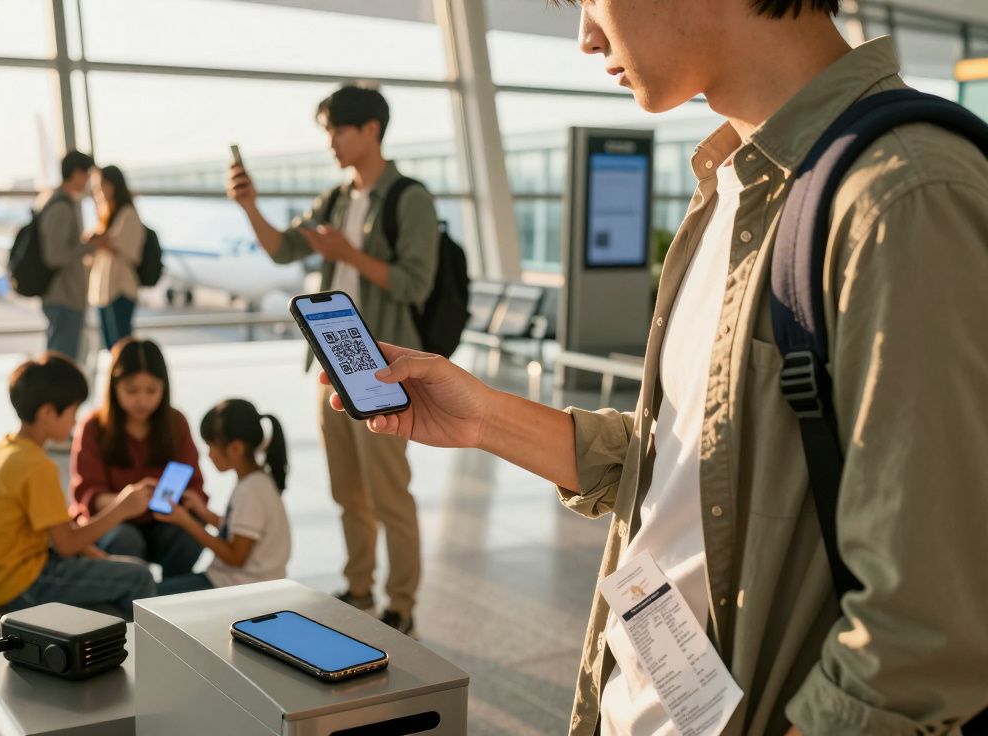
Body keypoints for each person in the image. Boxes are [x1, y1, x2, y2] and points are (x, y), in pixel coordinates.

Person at [322, 1, 988, 733]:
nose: (585, 36)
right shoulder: (731, 189)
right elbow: (684, 465)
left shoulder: (902, 198)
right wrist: (482, 417)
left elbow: (921, 634)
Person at [227, 84, 439, 635]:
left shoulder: (408, 198)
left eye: (338, 130)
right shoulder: (337, 198)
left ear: (371, 129)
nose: (331, 142)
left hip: (384, 367)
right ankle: (361, 586)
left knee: (390, 492)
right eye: (327, 132)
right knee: (348, 490)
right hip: (331, 369)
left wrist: (350, 256)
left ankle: (402, 602)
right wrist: (250, 206)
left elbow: (416, 284)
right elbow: (281, 248)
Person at [0, 353, 155, 612]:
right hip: (18, 583)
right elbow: (67, 544)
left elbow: (54, 529)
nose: (75, 421)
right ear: (48, 412)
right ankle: (141, 649)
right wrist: (122, 508)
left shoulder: (8, 448)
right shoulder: (37, 466)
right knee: (140, 577)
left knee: (124, 566)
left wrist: (104, 561)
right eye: (73, 412)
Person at [71, 338, 207, 577]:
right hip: (113, 521)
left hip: (163, 520)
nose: (142, 400)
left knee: (189, 535)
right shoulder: (93, 426)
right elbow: (87, 495)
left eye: (152, 390)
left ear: (164, 387)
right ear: (114, 387)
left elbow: (193, 484)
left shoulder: (175, 422)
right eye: (131, 390)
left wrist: (181, 501)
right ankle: (131, 601)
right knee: (125, 540)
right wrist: (126, 503)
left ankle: (170, 596)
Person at [151, 399, 291, 597]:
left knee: (148, 595)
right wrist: (204, 513)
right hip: (239, 581)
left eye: (211, 445)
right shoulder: (257, 480)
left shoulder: (251, 491)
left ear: (235, 448)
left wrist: (186, 521)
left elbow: (236, 557)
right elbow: (239, 532)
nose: (208, 454)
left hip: (236, 587)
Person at [37, 151, 98, 361]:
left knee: (62, 358)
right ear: (76, 173)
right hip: (63, 296)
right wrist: (89, 247)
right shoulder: (61, 207)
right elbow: (55, 255)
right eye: (87, 174)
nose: (89, 181)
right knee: (61, 361)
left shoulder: (64, 203)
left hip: (65, 296)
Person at [88, 165, 145, 351]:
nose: (98, 191)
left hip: (120, 289)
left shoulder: (128, 214)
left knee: (121, 346)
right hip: (105, 290)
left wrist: (102, 241)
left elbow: (130, 251)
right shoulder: (107, 215)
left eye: (101, 185)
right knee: (110, 345)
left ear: (113, 185)